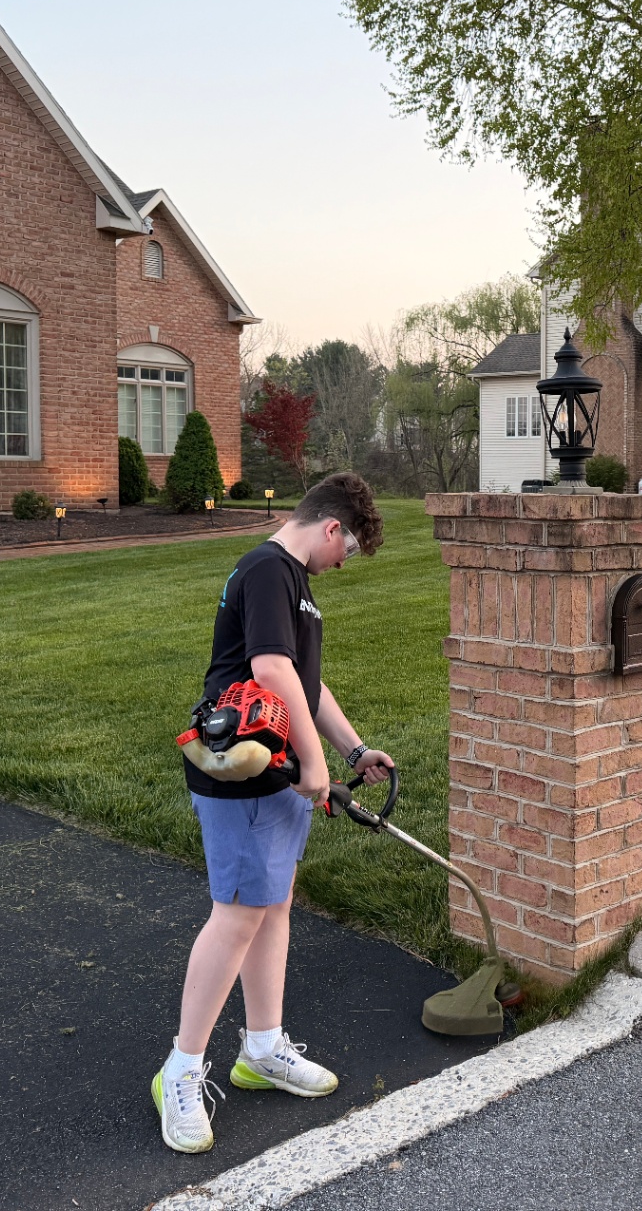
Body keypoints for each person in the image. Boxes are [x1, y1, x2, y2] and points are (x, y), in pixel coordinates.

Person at [152, 472, 393, 1154]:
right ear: (330, 528)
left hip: (278, 774)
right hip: (242, 774)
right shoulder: (268, 569)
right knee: (235, 917)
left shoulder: (294, 583)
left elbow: (304, 682)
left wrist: (353, 749)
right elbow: (269, 670)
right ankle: (180, 1069)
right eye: (346, 550)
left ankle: (261, 1048)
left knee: (272, 907)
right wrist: (316, 765)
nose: (341, 563)